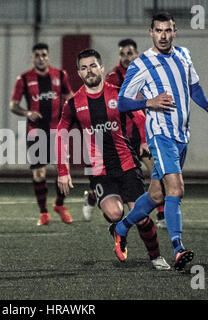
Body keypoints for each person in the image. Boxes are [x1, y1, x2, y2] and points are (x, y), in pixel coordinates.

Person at [115, 12, 208, 271]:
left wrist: (207, 107)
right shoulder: (141, 64)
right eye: (158, 30)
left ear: (175, 32)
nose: (163, 35)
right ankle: (178, 248)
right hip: (160, 134)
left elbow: (193, 86)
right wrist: (147, 102)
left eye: (168, 30)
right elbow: (122, 102)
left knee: (155, 194)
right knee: (175, 189)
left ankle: (120, 228)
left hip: (181, 135)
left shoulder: (184, 55)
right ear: (150, 32)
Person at [56, 48, 170, 270]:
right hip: (99, 170)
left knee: (141, 217)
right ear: (78, 73)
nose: (89, 71)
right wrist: (63, 170)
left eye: (92, 66)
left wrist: (145, 140)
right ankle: (117, 229)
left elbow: (139, 117)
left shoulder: (119, 94)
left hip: (127, 164)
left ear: (101, 68)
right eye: (83, 68)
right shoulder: (73, 104)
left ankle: (155, 256)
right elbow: (61, 135)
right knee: (114, 212)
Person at [82, 39, 166, 228]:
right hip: (119, 139)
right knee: (110, 178)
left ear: (137, 53)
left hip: (141, 136)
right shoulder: (112, 77)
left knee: (157, 173)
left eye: (129, 53)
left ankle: (161, 215)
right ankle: (92, 196)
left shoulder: (147, 75)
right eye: (123, 54)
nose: (126, 57)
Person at [10, 43, 74, 226]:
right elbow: (13, 105)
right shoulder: (23, 79)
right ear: (33, 57)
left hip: (57, 131)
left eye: (44, 54)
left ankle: (59, 205)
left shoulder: (60, 75)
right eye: (37, 55)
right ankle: (44, 212)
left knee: (65, 171)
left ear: (48, 56)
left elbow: (70, 97)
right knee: (39, 174)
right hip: (36, 132)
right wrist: (27, 113)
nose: (41, 58)